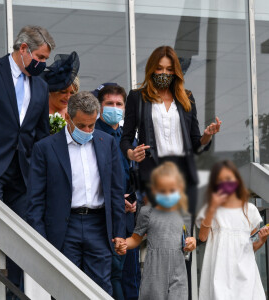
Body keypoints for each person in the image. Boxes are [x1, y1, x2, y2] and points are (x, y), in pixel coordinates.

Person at [0, 25, 55, 299]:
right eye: (39, 58)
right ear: (23, 49)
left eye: (45, 60)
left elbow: (41, 134)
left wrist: (44, 173)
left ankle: (16, 291)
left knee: (24, 231)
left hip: (22, 171)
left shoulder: (41, 86)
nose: (42, 64)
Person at [26, 91, 126, 296]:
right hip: (63, 227)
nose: (87, 130)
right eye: (81, 126)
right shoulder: (44, 148)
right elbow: (35, 200)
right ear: (67, 119)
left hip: (99, 226)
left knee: (100, 288)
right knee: (64, 286)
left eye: (92, 125)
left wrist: (118, 231)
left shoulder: (107, 143)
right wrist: (41, 239)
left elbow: (116, 190)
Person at [120, 45, 222, 214]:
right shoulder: (137, 97)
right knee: (153, 227)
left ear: (175, 72)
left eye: (169, 69)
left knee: (181, 232)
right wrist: (132, 154)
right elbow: (125, 138)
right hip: (151, 175)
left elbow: (196, 144)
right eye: (159, 68)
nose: (164, 73)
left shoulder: (186, 98)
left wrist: (207, 136)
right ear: (151, 69)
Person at [115, 162, 196, 300]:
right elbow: (135, 239)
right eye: (162, 191)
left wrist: (192, 242)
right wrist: (124, 243)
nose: (168, 195)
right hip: (154, 271)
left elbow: (189, 240)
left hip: (178, 270)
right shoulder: (147, 212)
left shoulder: (184, 214)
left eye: (172, 190)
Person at [196, 160, 268, 300]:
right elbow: (202, 237)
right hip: (219, 271)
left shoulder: (250, 210)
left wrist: (262, 239)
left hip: (245, 271)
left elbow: (251, 246)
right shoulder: (209, 208)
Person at [94, 83, 140, 300]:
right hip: (104, 220)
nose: (114, 107)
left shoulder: (129, 139)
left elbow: (140, 178)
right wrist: (114, 200)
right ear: (100, 107)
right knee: (111, 275)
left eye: (119, 104)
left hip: (130, 218)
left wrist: (135, 200)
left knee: (131, 275)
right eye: (109, 103)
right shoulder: (91, 135)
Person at [41, 52, 80, 118]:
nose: (68, 97)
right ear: (51, 91)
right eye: (63, 92)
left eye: (72, 93)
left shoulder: (76, 112)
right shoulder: (38, 113)